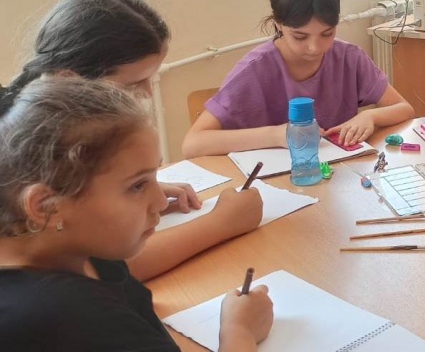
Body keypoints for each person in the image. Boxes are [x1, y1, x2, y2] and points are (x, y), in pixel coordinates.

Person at [0, 0, 263, 282]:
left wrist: (129, 195)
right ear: (70, 81)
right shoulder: (27, 153)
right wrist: (221, 223)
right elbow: (106, 267)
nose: (147, 94)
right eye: (132, 84)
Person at [0, 76, 274, 350]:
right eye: (137, 185)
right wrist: (240, 331)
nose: (160, 202)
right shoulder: (70, 315)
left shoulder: (73, 244)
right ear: (47, 206)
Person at [183, 0, 414, 157]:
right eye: (300, 36)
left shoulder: (348, 58)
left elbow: (404, 108)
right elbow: (193, 144)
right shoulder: (254, 70)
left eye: (327, 33)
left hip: (339, 177)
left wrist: (370, 116)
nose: (315, 47)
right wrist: (276, 135)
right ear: (278, 24)